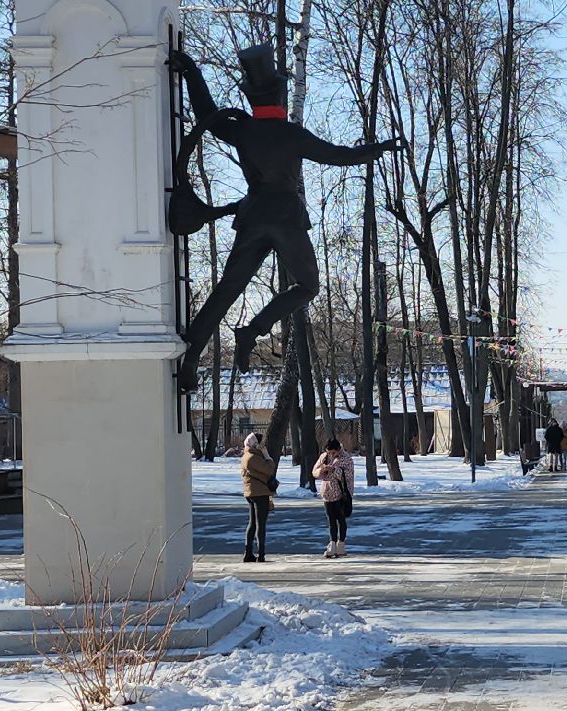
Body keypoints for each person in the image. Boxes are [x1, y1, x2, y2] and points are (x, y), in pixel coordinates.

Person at [166, 46, 403, 393]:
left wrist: (191, 73)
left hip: (253, 216)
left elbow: (207, 114)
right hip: (287, 219)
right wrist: (376, 150)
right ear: (279, 96)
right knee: (307, 286)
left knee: (228, 288)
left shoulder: (243, 131)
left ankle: (190, 359)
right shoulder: (292, 134)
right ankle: (252, 330)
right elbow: (338, 156)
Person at [313, 437, 355, 557]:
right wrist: (322, 470)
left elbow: (349, 476)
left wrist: (334, 470)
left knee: (341, 519)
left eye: (333, 452)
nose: (331, 455)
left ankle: (341, 544)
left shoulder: (346, 459)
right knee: (331, 520)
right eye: (329, 452)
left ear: (338, 449)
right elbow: (314, 472)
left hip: (341, 493)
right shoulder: (324, 457)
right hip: (327, 493)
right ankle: (332, 544)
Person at [240, 432, 277, 563]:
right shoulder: (253, 457)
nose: (262, 446)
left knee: (252, 523)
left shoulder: (246, 456)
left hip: (251, 493)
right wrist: (267, 455)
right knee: (261, 524)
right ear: (255, 444)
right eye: (261, 444)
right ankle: (261, 554)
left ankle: (248, 552)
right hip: (260, 493)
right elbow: (269, 469)